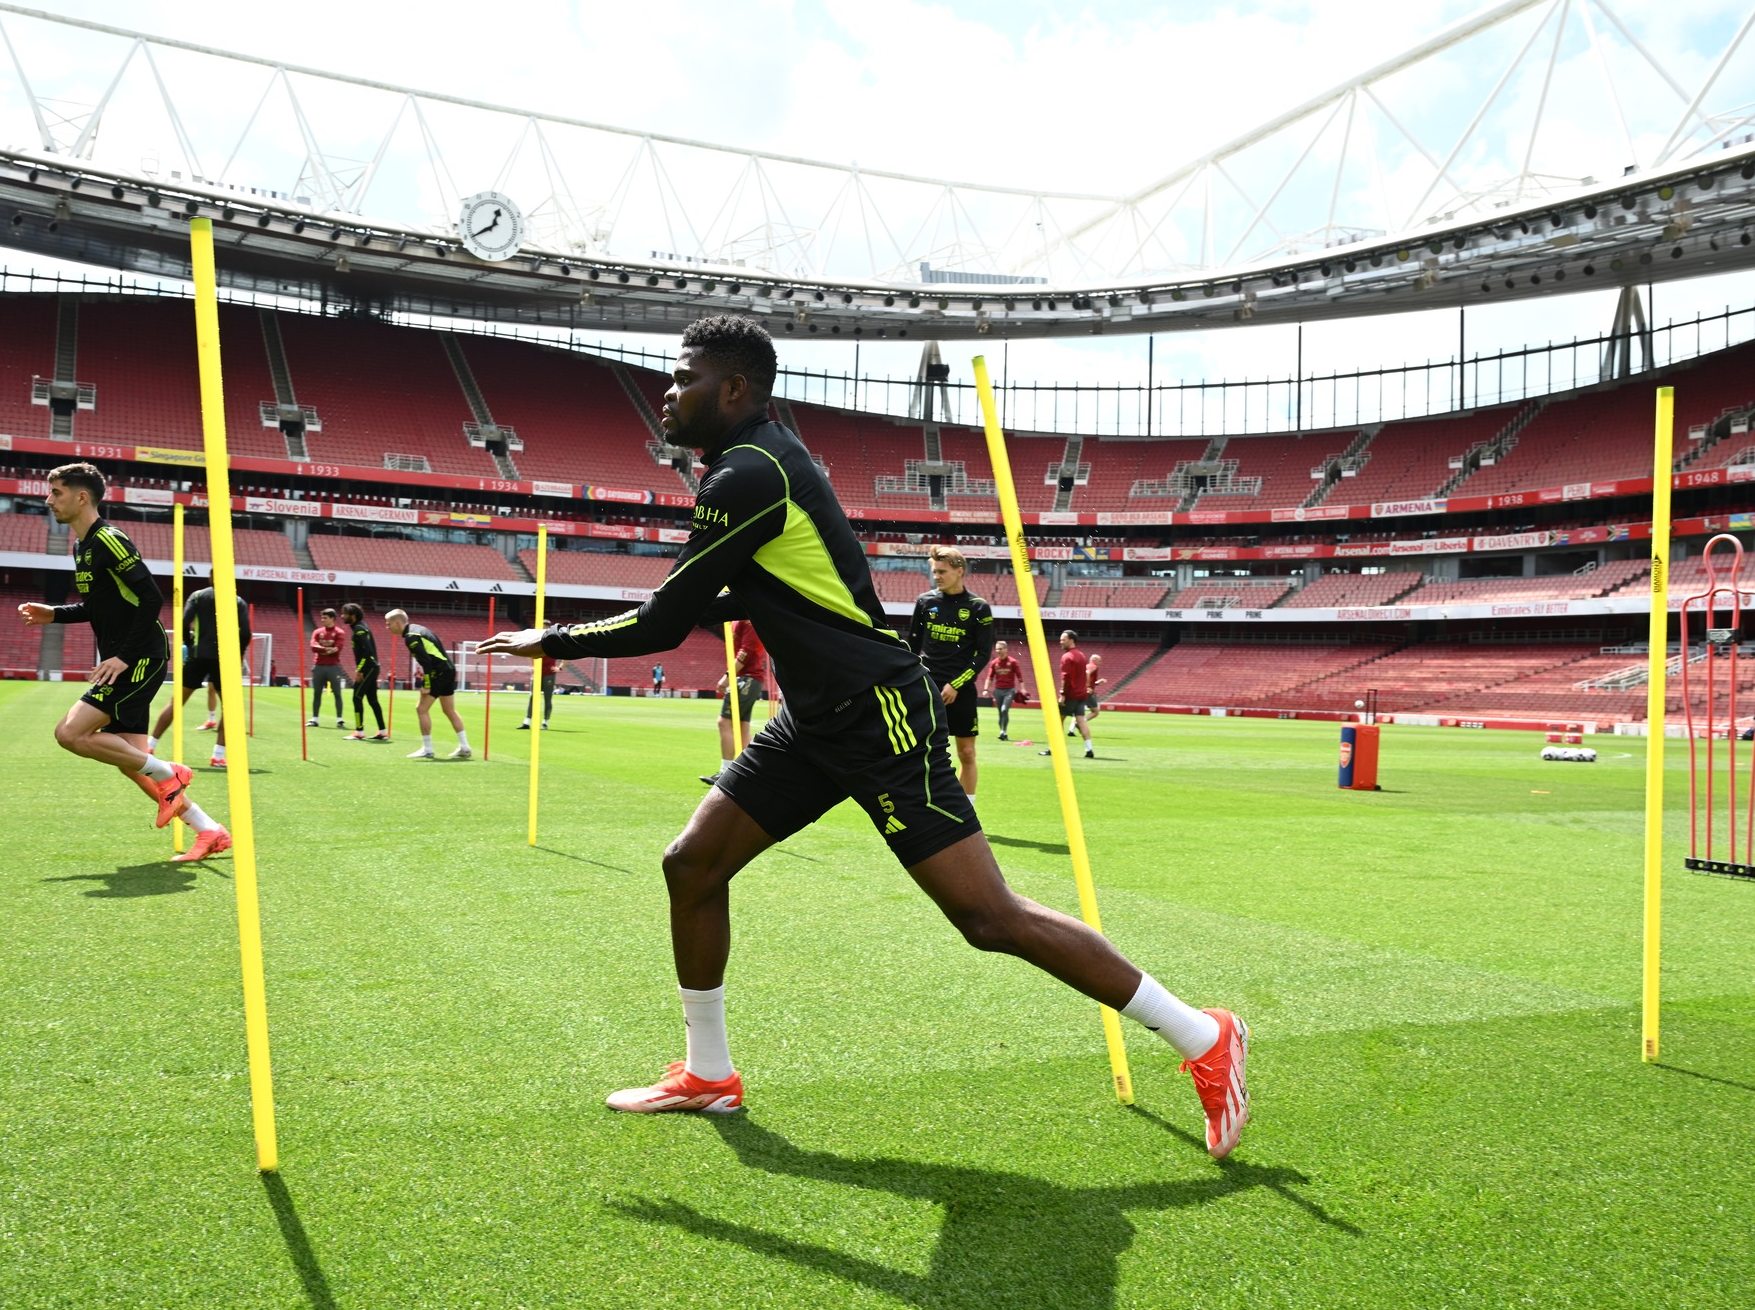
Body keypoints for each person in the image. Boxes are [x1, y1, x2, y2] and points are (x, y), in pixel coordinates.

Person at [479, 315, 1248, 1157]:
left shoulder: (748, 474)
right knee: (692, 864)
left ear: (732, 389)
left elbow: (668, 620)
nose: (667, 392)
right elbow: (754, 594)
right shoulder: (762, 458)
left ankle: (1204, 1036)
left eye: (683, 376)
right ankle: (709, 1073)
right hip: (815, 720)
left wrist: (550, 639)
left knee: (987, 919)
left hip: (878, 714)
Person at [18, 462, 229, 863]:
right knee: (132, 763)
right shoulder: (82, 546)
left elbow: (151, 598)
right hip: (124, 657)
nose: (48, 500)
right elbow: (100, 607)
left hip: (138, 657)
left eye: (56, 492)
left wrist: (122, 656)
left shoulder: (110, 539)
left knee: (70, 733)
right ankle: (210, 830)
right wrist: (54, 614)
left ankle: (172, 772)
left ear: (82, 497)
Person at [907, 546, 994, 808]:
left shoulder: (978, 607)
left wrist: (955, 685)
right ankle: (924, 805)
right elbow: (912, 647)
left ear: (959, 571)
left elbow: (982, 654)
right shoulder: (925, 602)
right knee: (922, 751)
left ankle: (967, 810)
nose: (937, 577)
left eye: (942, 572)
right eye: (934, 571)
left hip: (962, 690)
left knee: (966, 753)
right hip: (927, 688)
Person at [154, 580, 247, 769]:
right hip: (224, 658)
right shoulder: (237, 601)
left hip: (198, 655)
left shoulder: (197, 596)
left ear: (210, 578)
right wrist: (239, 654)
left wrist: (189, 645)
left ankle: (150, 746)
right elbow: (245, 632)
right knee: (229, 709)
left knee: (175, 702)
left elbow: (183, 622)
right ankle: (218, 756)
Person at [386, 609, 472, 759]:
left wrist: (426, 684)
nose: (388, 627)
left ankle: (427, 749)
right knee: (449, 710)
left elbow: (426, 661)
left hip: (439, 673)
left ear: (397, 622)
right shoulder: (418, 629)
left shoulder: (411, 637)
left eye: (389, 624)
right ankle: (464, 746)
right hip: (448, 670)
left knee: (421, 709)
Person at [701, 620, 767, 786]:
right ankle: (748, 772)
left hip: (747, 678)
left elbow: (747, 651)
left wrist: (727, 676)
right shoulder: (737, 620)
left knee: (724, 722)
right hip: (750, 678)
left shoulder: (748, 620)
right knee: (742, 726)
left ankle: (726, 771)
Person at [1046, 630, 1103, 760]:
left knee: (1057, 721)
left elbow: (1066, 678)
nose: (1061, 642)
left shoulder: (1067, 657)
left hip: (1071, 694)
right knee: (1081, 721)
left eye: (1063, 639)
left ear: (1071, 640)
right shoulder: (1081, 655)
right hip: (1081, 695)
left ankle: (1053, 748)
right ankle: (1089, 749)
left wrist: (1063, 694)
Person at [342, 604, 388, 741]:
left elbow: (367, 652)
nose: (342, 616)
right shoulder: (361, 627)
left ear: (353, 616)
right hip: (372, 667)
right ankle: (383, 731)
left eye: (344, 613)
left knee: (357, 697)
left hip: (369, 668)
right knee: (372, 700)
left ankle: (359, 732)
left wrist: (360, 670)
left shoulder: (359, 629)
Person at [306, 608, 347, 729]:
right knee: (316, 693)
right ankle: (315, 719)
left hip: (333, 667)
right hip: (319, 666)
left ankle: (339, 720)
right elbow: (313, 646)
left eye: (325, 618)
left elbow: (337, 648)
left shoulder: (339, 632)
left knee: (337, 694)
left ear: (332, 618)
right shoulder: (317, 632)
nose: (322, 620)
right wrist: (326, 649)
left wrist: (322, 648)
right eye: (322, 617)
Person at [986, 640, 1024, 740]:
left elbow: (1019, 676)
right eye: (997, 649)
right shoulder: (994, 663)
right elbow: (989, 677)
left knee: (1004, 709)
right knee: (1000, 712)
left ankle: (1004, 731)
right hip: (998, 690)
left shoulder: (1013, 662)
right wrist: (986, 689)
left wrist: (1023, 689)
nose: (998, 651)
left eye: (1000, 649)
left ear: (1006, 649)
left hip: (1009, 690)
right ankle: (1002, 732)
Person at [520, 652, 561, 731]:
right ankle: (527, 722)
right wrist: (532, 666)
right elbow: (529, 653)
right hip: (537, 673)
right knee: (533, 697)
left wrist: (560, 668)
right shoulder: (536, 642)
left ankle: (545, 722)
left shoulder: (553, 644)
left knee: (547, 698)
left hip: (549, 674)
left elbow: (567, 654)